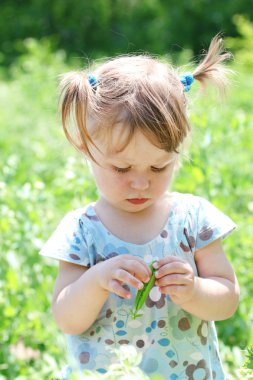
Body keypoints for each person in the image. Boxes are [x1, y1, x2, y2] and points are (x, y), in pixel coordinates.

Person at [40, 35, 240, 380]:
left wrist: (194, 290)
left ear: (177, 156)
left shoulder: (193, 218)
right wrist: (96, 280)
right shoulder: (82, 229)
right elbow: (66, 317)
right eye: (121, 169)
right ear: (88, 153)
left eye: (158, 167)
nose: (140, 183)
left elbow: (227, 300)